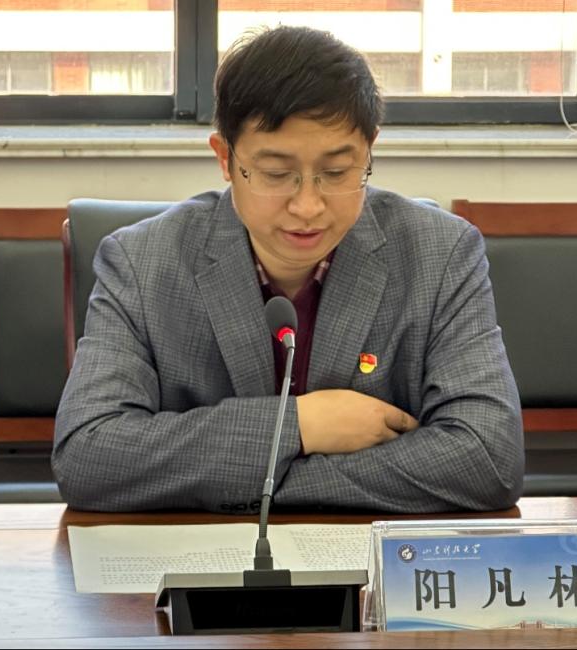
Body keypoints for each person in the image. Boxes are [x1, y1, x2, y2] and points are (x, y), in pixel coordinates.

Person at [53, 25, 523, 513]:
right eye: (277, 174)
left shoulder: (441, 254)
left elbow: (489, 457)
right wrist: (301, 425)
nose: (307, 206)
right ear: (226, 158)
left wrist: (267, 485)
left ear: (369, 150)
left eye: (336, 172)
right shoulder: (141, 262)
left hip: (364, 555)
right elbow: (88, 455)